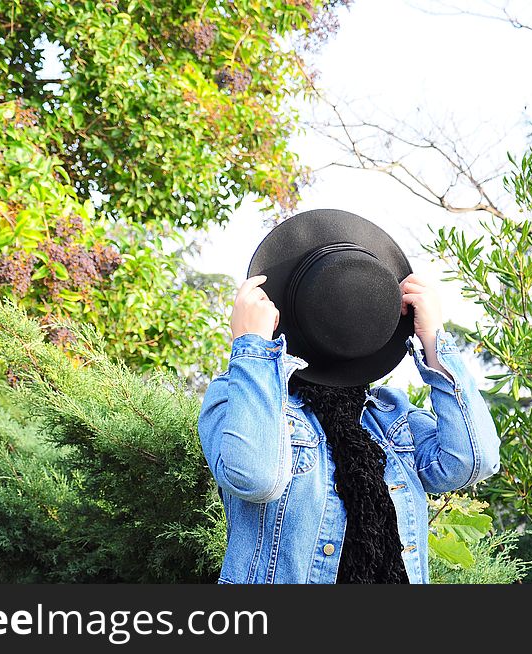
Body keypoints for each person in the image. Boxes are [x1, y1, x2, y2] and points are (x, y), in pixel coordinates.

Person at [197, 209, 500, 584]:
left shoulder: (388, 418)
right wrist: (252, 347)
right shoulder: (239, 398)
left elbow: (473, 461)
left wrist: (434, 340)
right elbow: (255, 478)